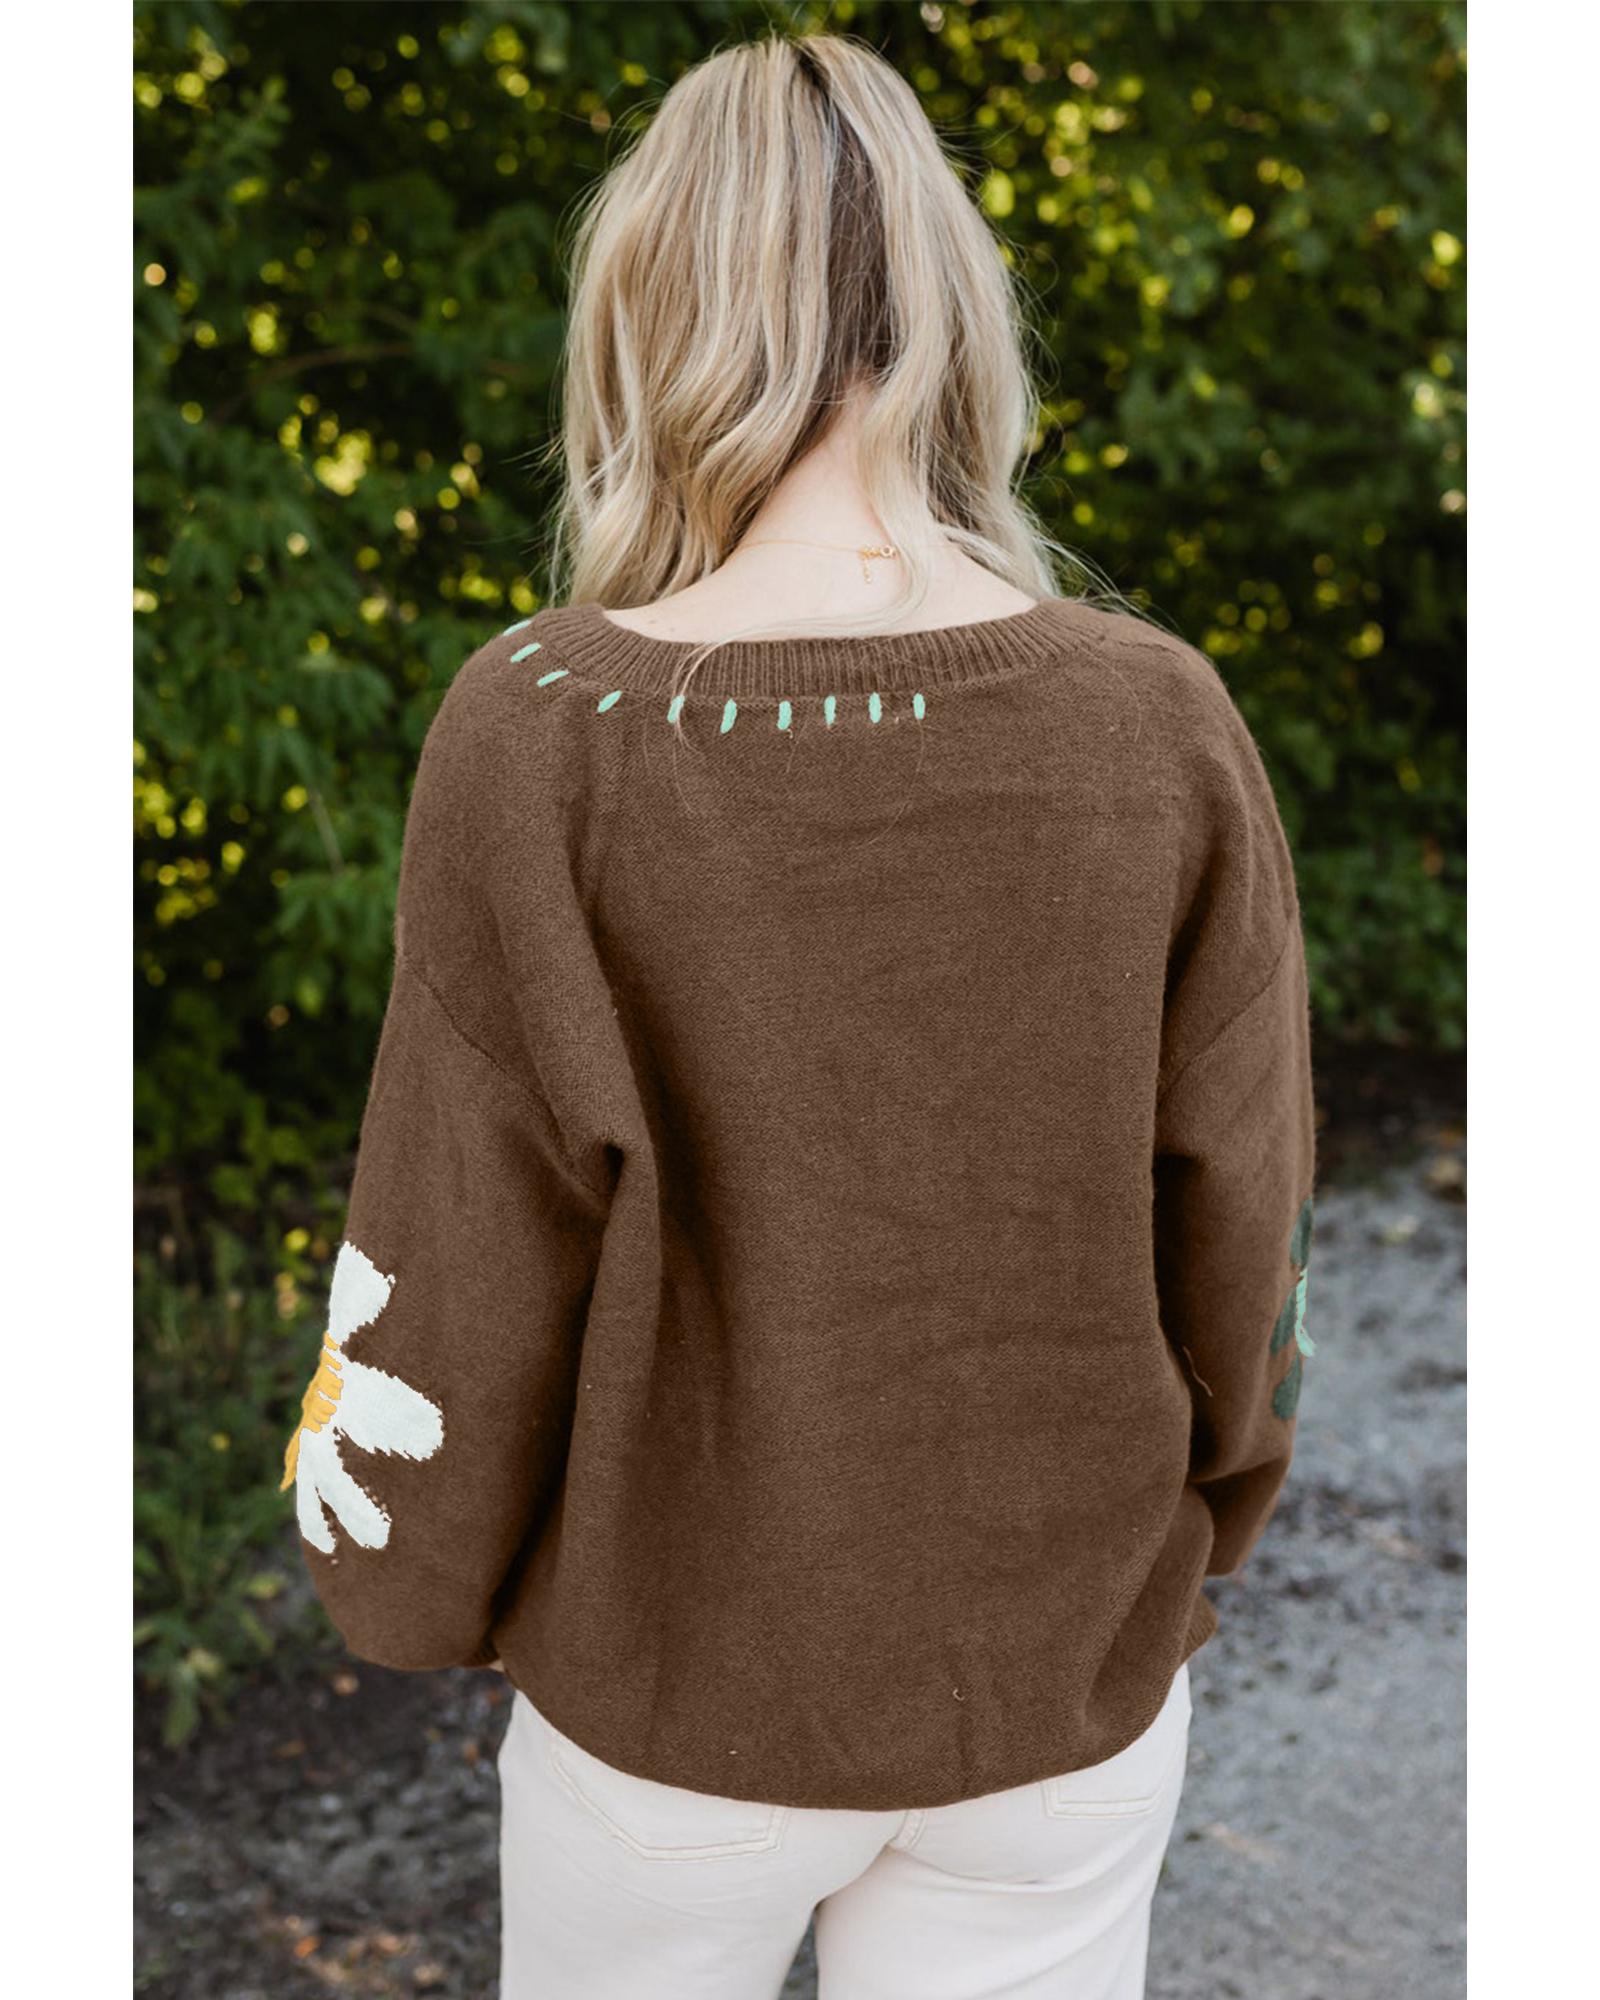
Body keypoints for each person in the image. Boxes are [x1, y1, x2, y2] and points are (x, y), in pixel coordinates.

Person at [279, 30, 1317, 2000]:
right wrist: (1219, 1503)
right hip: (1058, 1686)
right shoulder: (1155, 719)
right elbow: (1241, 1200)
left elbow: (460, 1224)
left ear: (648, 319)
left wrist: (406, 1572)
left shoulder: (544, 725)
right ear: (952, 315)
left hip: (672, 1698)